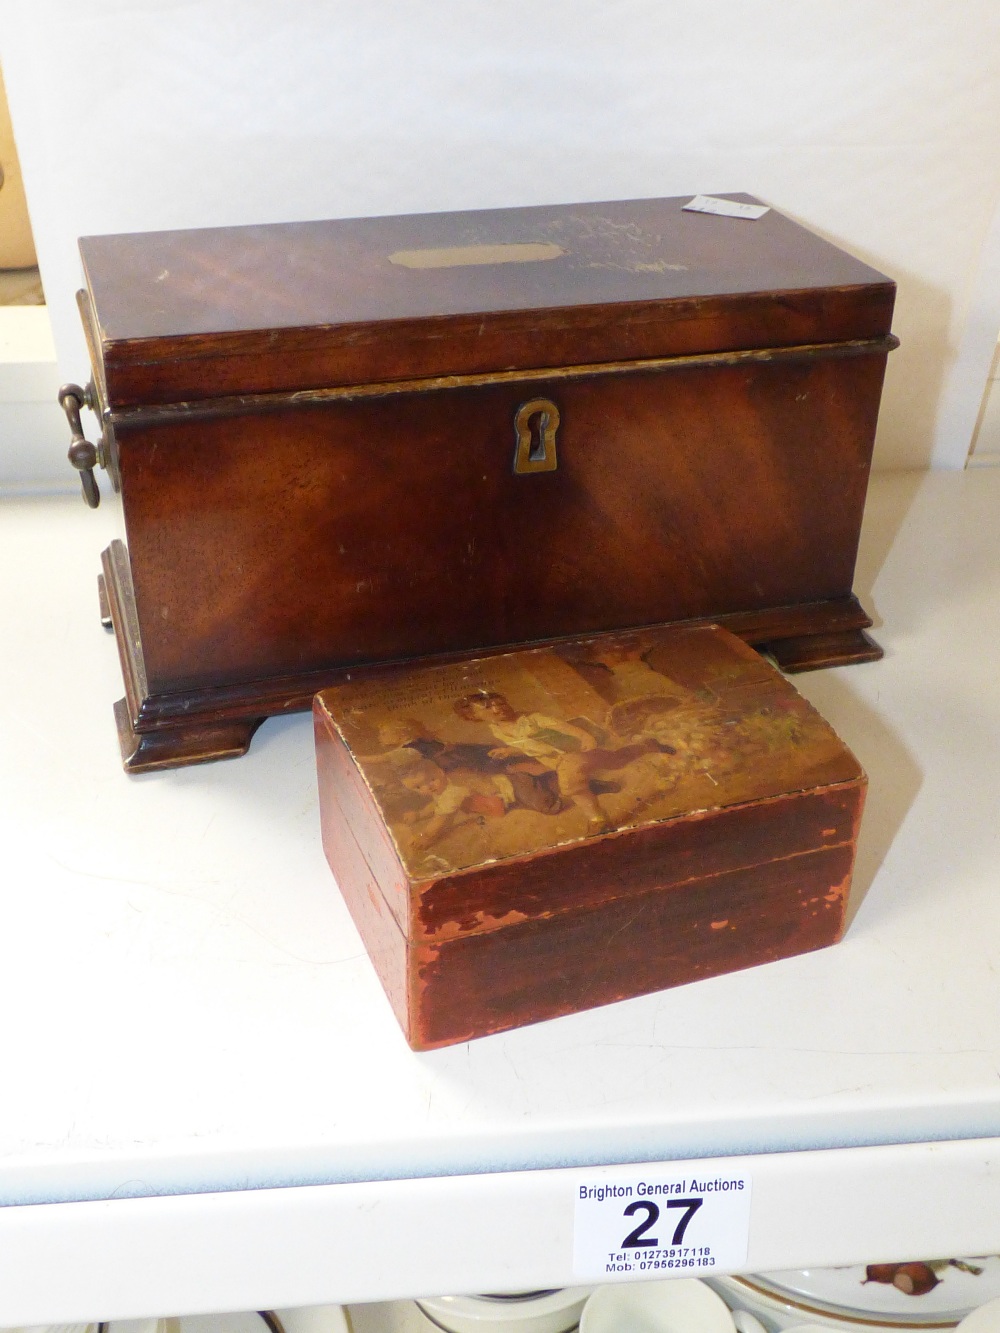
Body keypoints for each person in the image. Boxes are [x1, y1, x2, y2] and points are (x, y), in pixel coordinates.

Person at [454, 691, 669, 831]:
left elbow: (564, 727)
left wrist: (585, 736)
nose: (497, 709)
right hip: (557, 761)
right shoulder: (498, 729)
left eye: (500, 703)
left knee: (570, 786)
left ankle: (598, 821)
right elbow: (526, 745)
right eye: (488, 708)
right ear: (475, 718)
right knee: (616, 760)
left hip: (571, 753)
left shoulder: (532, 719)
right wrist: (509, 751)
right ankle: (649, 746)